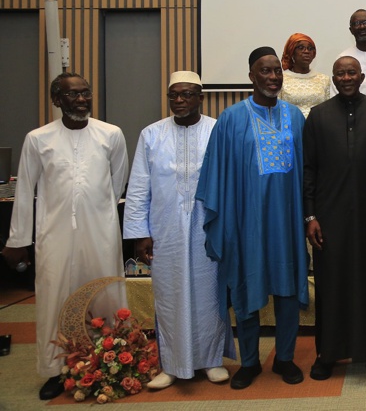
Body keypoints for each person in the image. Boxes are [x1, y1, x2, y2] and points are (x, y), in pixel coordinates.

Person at [2, 73, 128, 400]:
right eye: (73, 94)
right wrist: (18, 239)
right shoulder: (38, 139)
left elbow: (117, 183)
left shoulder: (111, 134)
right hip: (54, 233)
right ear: (57, 100)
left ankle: (108, 364)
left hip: (100, 233)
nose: (82, 99)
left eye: (86, 93)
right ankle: (56, 369)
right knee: (54, 297)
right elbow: (25, 189)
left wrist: (94, 211)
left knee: (105, 294)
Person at [197, 47, 308, 389]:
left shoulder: (295, 117)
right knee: (246, 286)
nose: (273, 77)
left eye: (277, 71)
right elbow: (217, 173)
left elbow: (307, 172)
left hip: (287, 221)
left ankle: (285, 357)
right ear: (251, 76)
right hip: (247, 222)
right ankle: (249, 361)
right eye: (265, 71)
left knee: (287, 288)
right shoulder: (231, 118)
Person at [123, 71, 234, 389]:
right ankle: (171, 365)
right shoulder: (151, 134)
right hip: (165, 229)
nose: (180, 100)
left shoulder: (217, 130)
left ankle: (211, 360)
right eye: (174, 95)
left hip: (207, 229)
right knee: (169, 296)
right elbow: (139, 186)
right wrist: (139, 233)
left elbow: (230, 181)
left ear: (200, 97)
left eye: (187, 94)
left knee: (209, 294)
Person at [304, 56, 366, 379]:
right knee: (332, 285)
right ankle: (328, 354)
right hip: (330, 218)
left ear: (361, 77)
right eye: (340, 74)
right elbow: (308, 169)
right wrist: (310, 215)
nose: (346, 78)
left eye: (351, 73)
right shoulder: (318, 116)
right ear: (333, 79)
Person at [279, 33, 331, 117]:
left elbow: (328, 109)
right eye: (301, 48)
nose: (306, 51)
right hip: (291, 124)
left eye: (310, 48)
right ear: (292, 52)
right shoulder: (281, 79)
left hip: (317, 124)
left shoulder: (324, 79)